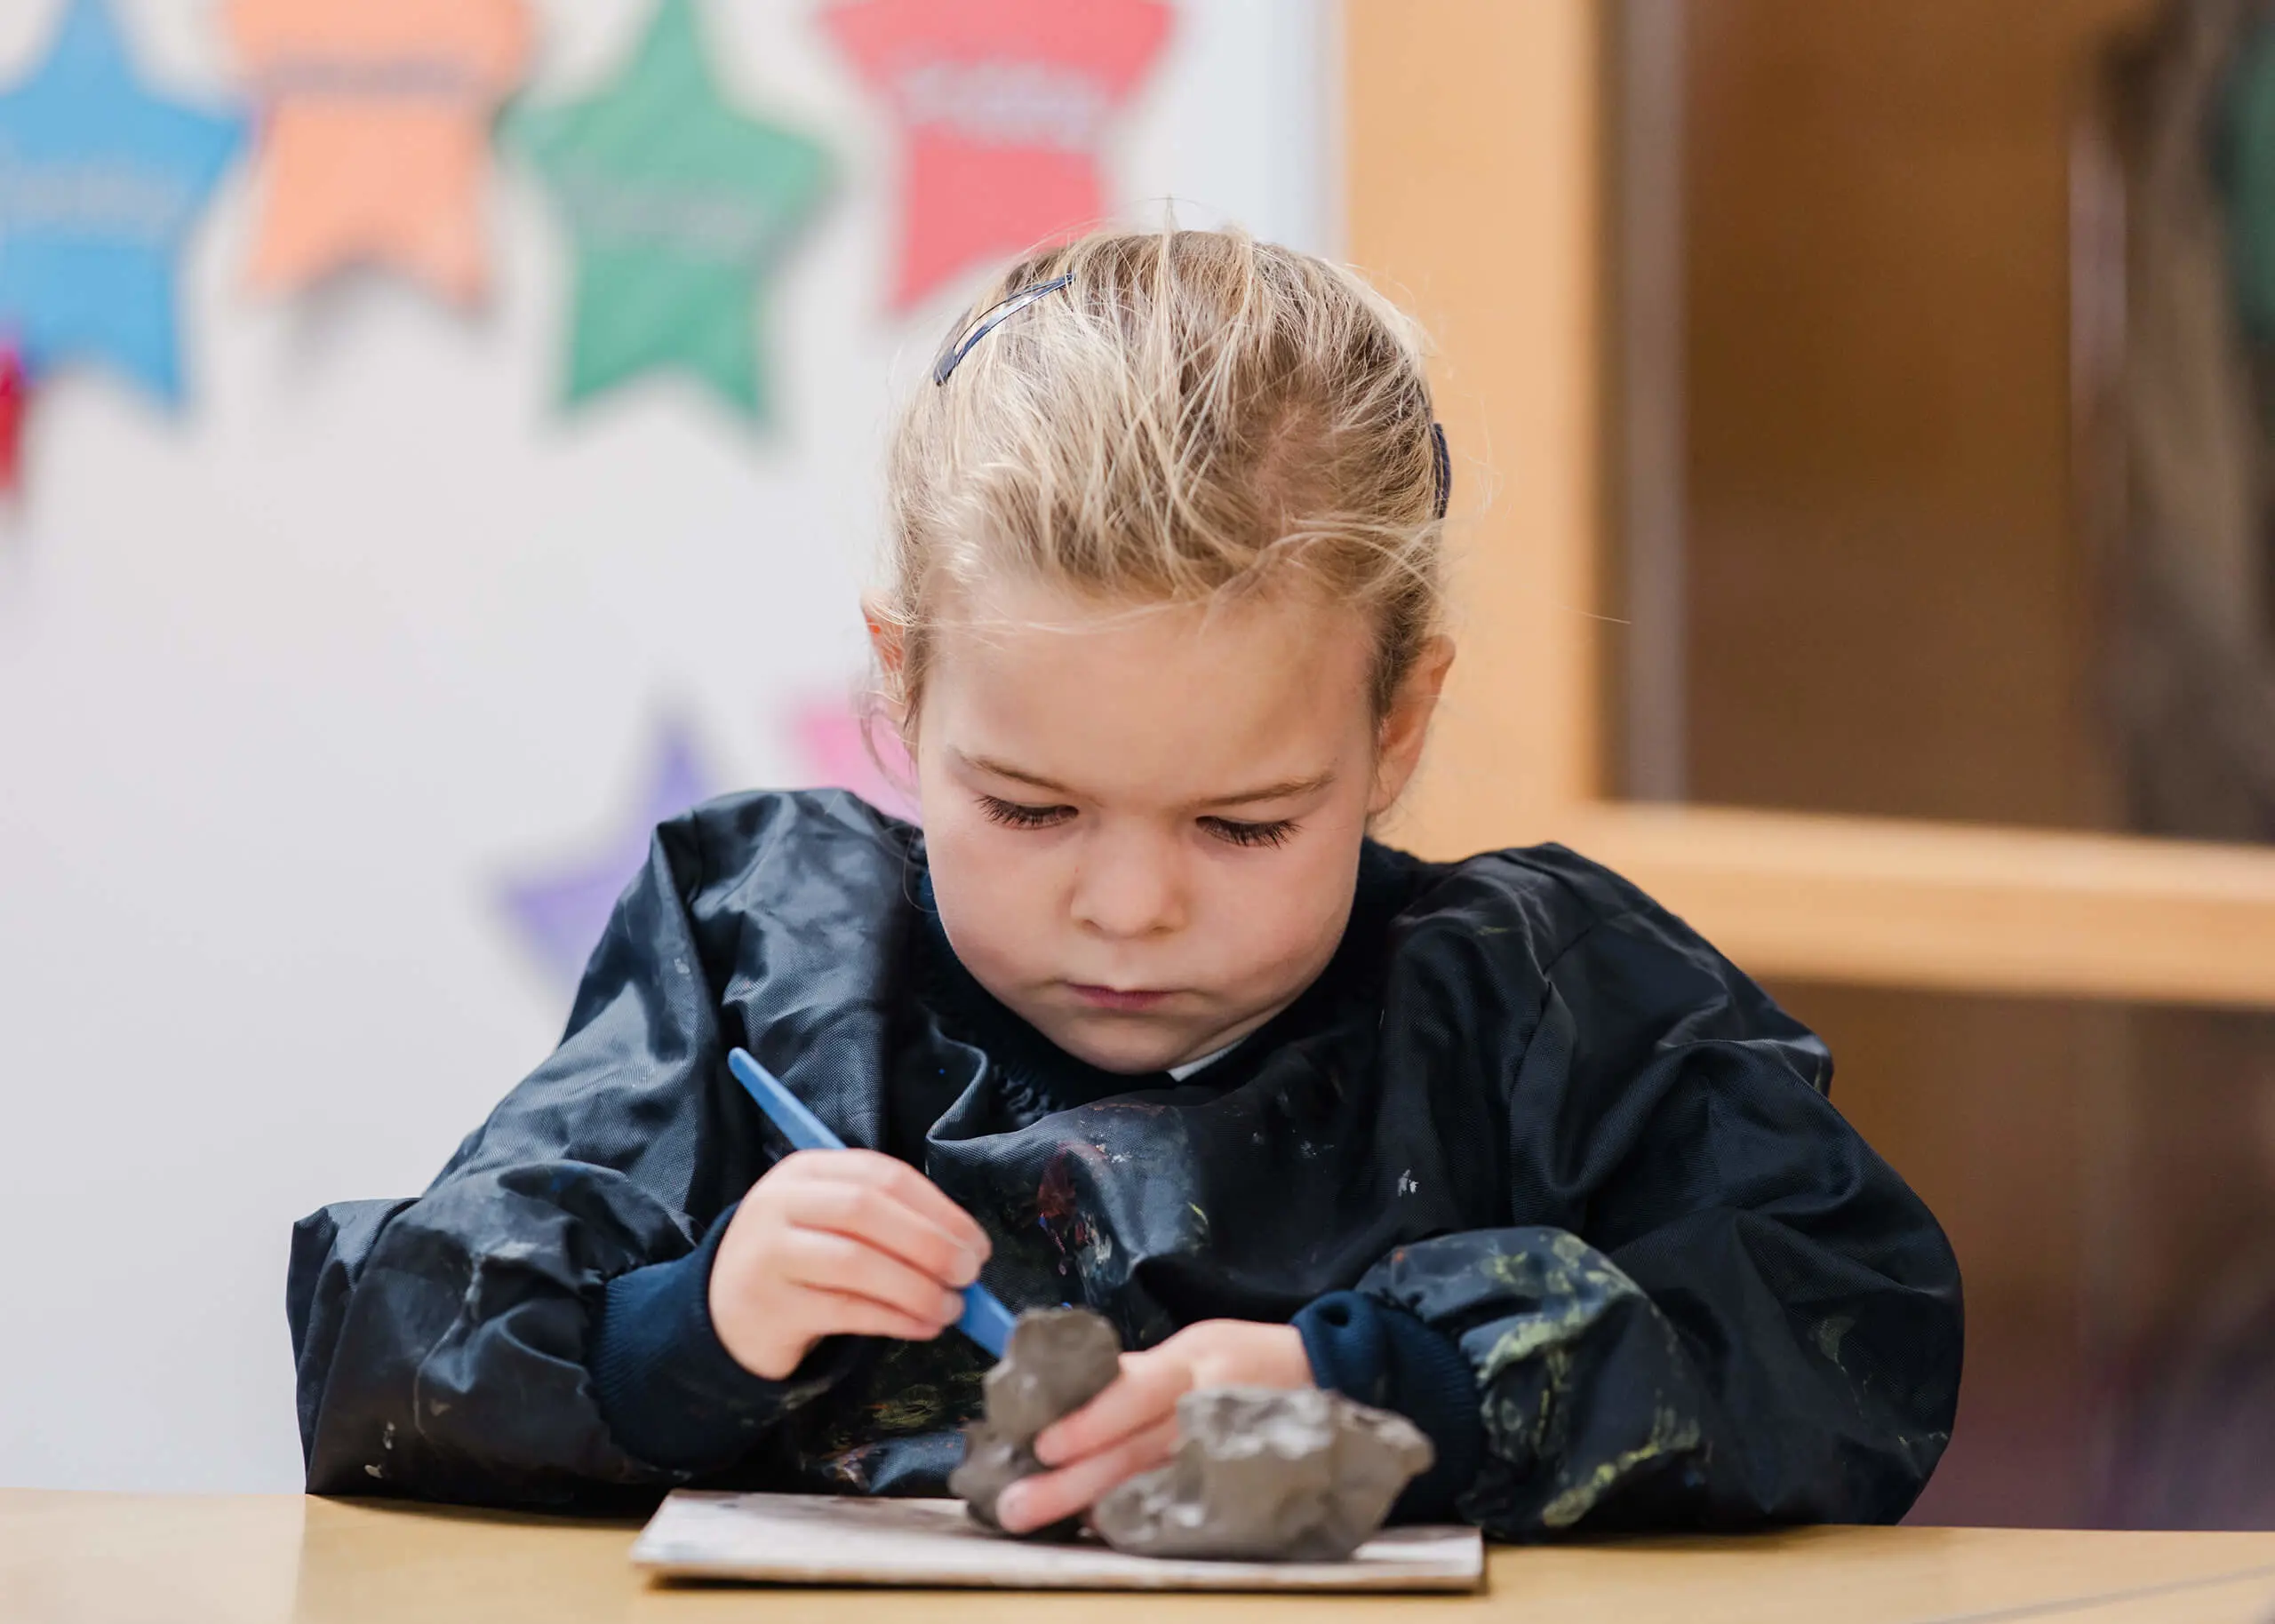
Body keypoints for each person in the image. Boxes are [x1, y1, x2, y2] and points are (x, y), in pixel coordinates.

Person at [288, 227, 1961, 1537]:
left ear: (1396, 723)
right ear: (904, 687)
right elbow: (385, 1372)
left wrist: (1398, 1386)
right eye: (1029, 810)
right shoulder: (763, 955)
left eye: (1245, 827)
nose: (1130, 909)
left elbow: (1849, 1330)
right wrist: (689, 1330)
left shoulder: (1541, 1000)